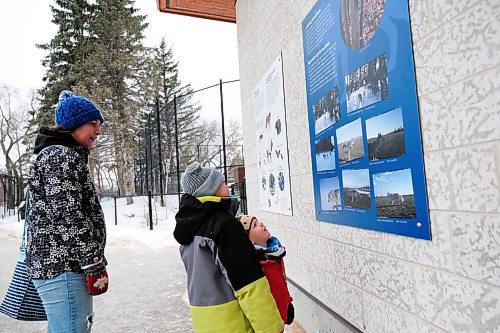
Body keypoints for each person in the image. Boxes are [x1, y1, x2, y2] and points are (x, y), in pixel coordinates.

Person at [26, 90, 109, 333]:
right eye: (92, 124)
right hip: (62, 265)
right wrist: (93, 262)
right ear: (73, 125)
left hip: (63, 264)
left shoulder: (62, 154)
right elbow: (68, 215)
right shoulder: (60, 156)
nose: (98, 131)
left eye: (99, 124)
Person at [174, 162, 284, 333]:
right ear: (212, 190)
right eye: (222, 183)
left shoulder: (188, 232)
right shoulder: (224, 226)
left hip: (206, 322)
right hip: (234, 322)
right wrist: (271, 328)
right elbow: (248, 283)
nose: (228, 186)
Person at [238, 215, 294, 326]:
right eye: (255, 225)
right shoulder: (255, 266)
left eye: (258, 221)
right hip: (270, 322)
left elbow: (280, 284)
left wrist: (288, 303)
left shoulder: (274, 254)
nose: (261, 224)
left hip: (282, 312)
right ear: (249, 240)